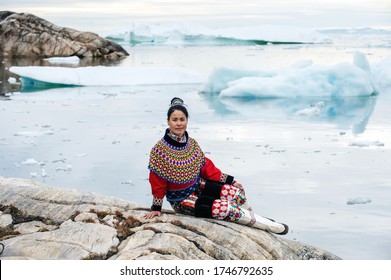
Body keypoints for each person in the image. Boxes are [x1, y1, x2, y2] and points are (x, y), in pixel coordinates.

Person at [144, 97, 288, 235]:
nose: (179, 123)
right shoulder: (160, 150)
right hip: (182, 201)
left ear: (187, 121)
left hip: (197, 188)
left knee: (236, 194)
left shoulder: (191, 144)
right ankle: (267, 225)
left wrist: (231, 181)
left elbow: (207, 168)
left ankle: (257, 219)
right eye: (174, 120)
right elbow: (157, 181)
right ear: (168, 121)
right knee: (227, 209)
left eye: (182, 119)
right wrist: (156, 207)